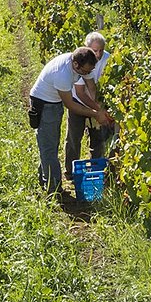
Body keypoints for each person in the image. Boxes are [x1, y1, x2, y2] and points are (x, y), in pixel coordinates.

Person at [28, 47, 115, 195]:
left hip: (54, 102)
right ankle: (54, 190)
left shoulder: (84, 63)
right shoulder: (62, 74)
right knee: (49, 146)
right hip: (44, 104)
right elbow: (70, 105)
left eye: (90, 71)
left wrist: (100, 109)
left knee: (50, 143)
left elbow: (91, 86)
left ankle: (45, 179)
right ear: (76, 65)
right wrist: (95, 114)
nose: (88, 73)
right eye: (86, 71)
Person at [64, 32, 114, 180]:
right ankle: (70, 172)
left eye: (101, 50)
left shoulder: (109, 59)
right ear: (87, 48)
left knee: (98, 138)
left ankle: (95, 170)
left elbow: (92, 88)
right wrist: (95, 111)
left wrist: (97, 108)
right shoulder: (82, 60)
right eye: (95, 50)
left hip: (97, 101)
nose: (98, 54)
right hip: (78, 102)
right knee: (74, 137)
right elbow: (80, 93)